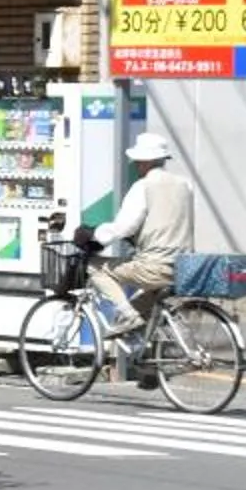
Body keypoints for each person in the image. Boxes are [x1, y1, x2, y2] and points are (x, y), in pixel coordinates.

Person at [78, 133, 194, 338]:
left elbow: (124, 227)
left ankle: (128, 316)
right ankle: (137, 340)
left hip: (153, 266)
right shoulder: (184, 185)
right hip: (183, 266)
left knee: (94, 267)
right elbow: (166, 220)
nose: (136, 166)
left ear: (144, 162)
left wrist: (93, 234)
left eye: (138, 162)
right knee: (147, 300)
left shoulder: (143, 186)